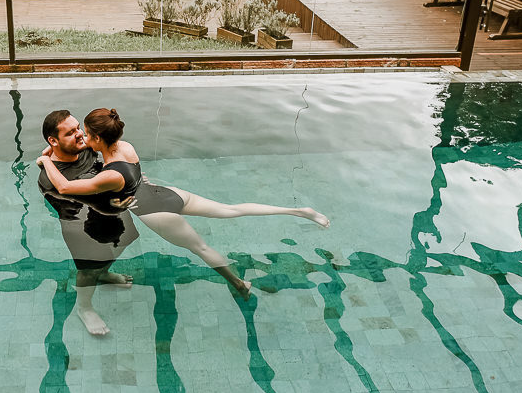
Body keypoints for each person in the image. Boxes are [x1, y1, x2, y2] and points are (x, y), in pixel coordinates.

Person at [38, 107, 329, 301]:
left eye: (86, 135)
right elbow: (101, 151)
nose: (82, 138)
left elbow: (64, 185)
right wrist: (61, 147)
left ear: (97, 138)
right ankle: (298, 211)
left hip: (153, 210)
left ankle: (240, 284)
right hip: (166, 193)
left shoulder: (109, 175)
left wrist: (44, 159)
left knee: (200, 247)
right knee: (232, 209)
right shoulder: (125, 148)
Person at [37, 109, 139, 337]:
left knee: (122, 244)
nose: (80, 135)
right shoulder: (49, 179)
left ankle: (102, 273)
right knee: (88, 268)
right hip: (82, 227)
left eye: (78, 128)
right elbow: (73, 207)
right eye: (70, 133)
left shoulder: (85, 149)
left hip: (112, 212)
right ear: (54, 140)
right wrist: (46, 159)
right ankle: (84, 307)